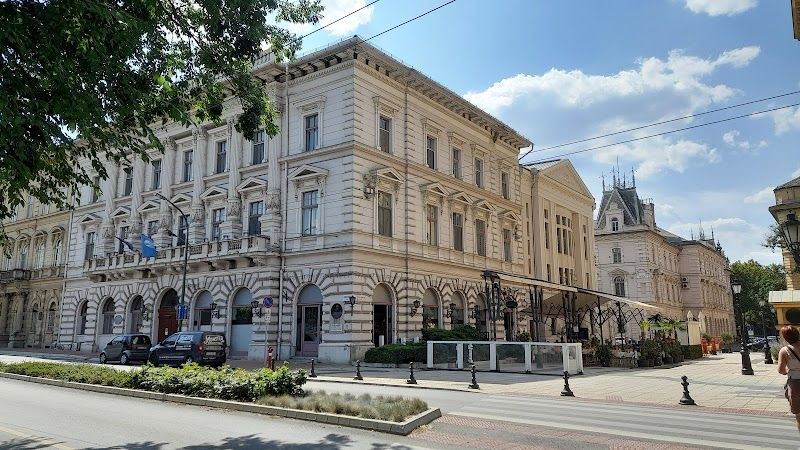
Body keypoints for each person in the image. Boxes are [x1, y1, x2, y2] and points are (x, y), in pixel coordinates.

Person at [777, 325, 800, 431]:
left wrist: (790, 371)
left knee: (799, 416)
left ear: (785, 337)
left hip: (795, 384)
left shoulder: (784, 351)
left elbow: (781, 370)